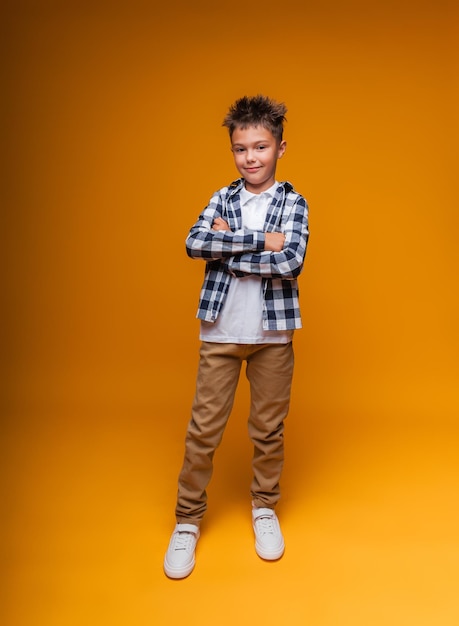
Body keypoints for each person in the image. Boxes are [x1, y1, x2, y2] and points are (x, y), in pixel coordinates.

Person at [164, 94, 309, 579]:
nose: (250, 157)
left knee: (268, 431)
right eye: (241, 148)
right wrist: (256, 241)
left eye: (261, 147)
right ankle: (187, 520)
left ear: (280, 147)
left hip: (273, 336)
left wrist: (227, 251)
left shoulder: (294, 202)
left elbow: (290, 262)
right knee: (203, 431)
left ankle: (264, 507)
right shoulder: (220, 200)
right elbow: (194, 243)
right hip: (220, 332)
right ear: (232, 150)